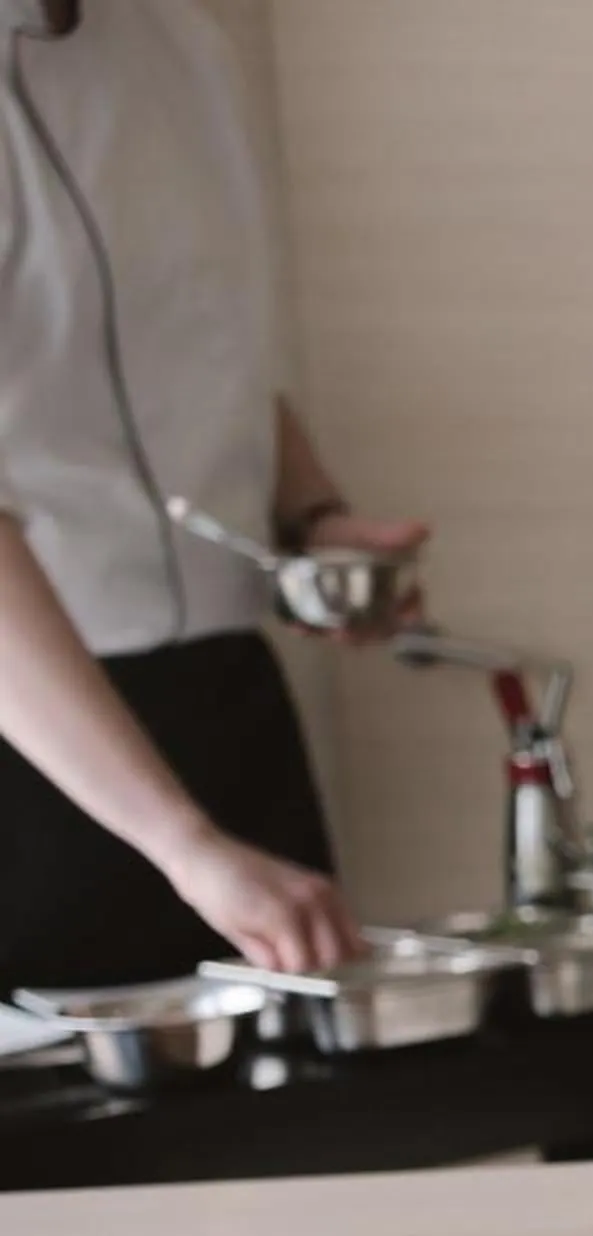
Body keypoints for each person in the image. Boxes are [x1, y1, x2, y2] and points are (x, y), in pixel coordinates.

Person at [0, 0, 426, 992]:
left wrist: (314, 521)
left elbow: (210, 346)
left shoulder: (177, 40)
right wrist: (181, 841)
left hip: (223, 704)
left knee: (309, 1121)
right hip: (38, 742)